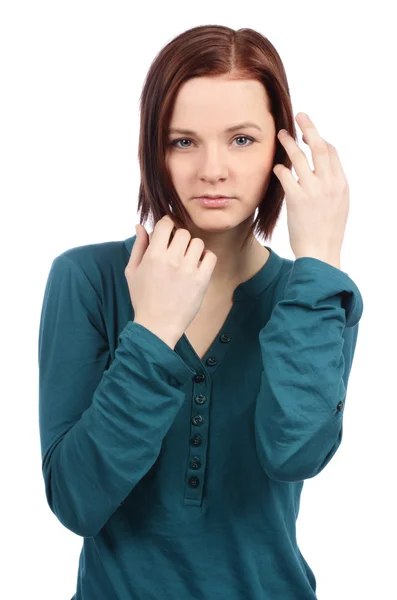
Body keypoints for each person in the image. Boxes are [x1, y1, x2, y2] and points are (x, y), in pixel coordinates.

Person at [38, 24, 363, 600]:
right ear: (152, 150)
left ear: (283, 150)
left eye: (241, 139)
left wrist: (319, 260)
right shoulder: (86, 280)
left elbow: (296, 452)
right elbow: (77, 502)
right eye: (182, 141)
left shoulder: (314, 294)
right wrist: (154, 332)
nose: (213, 169)